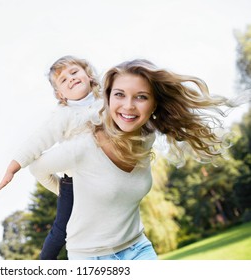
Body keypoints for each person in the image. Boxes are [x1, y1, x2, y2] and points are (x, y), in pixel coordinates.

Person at [29, 58, 240, 260]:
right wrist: (62, 188)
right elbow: (38, 158)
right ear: (109, 98)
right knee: (59, 229)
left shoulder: (145, 132)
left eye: (141, 97)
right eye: (120, 95)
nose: (129, 106)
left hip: (138, 248)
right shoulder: (79, 139)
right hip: (90, 255)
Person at [0, 55, 103, 259]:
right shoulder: (64, 115)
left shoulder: (108, 101)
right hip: (75, 183)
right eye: (63, 79)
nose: (71, 78)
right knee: (61, 231)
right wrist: (11, 169)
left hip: (104, 177)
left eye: (74, 72)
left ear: (89, 75)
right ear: (60, 94)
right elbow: (37, 141)